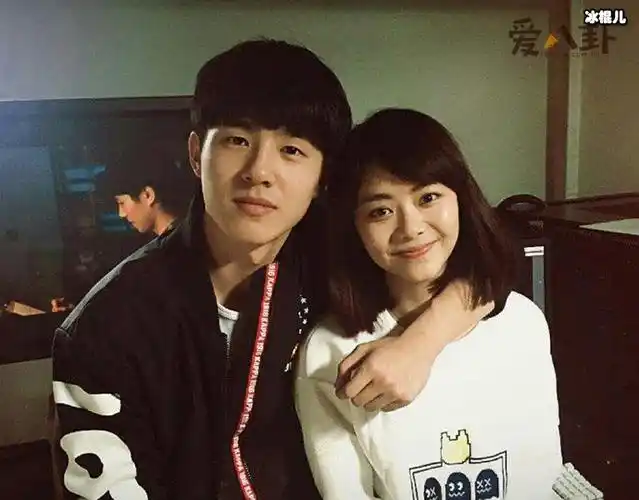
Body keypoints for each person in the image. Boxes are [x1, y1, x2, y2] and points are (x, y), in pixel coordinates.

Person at [51, 41, 492, 500]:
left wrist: (418, 345)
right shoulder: (108, 326)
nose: (259, 171)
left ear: (323, 176)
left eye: (292, 149)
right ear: (196, 153)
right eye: (237, 141)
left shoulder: (337, 252)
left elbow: (487, 269)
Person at [295, 108, 563, 499]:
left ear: (461, 200)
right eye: (381, 211)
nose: (411, 227)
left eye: (428, 197)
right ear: (353, 227)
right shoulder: (328, 352)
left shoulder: (524, 324)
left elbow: (543, 477)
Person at [95, 147, 194, 237]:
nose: (121, 214)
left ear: (148, 195)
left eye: (122, 203)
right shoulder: (190, 233)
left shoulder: (174, 246)